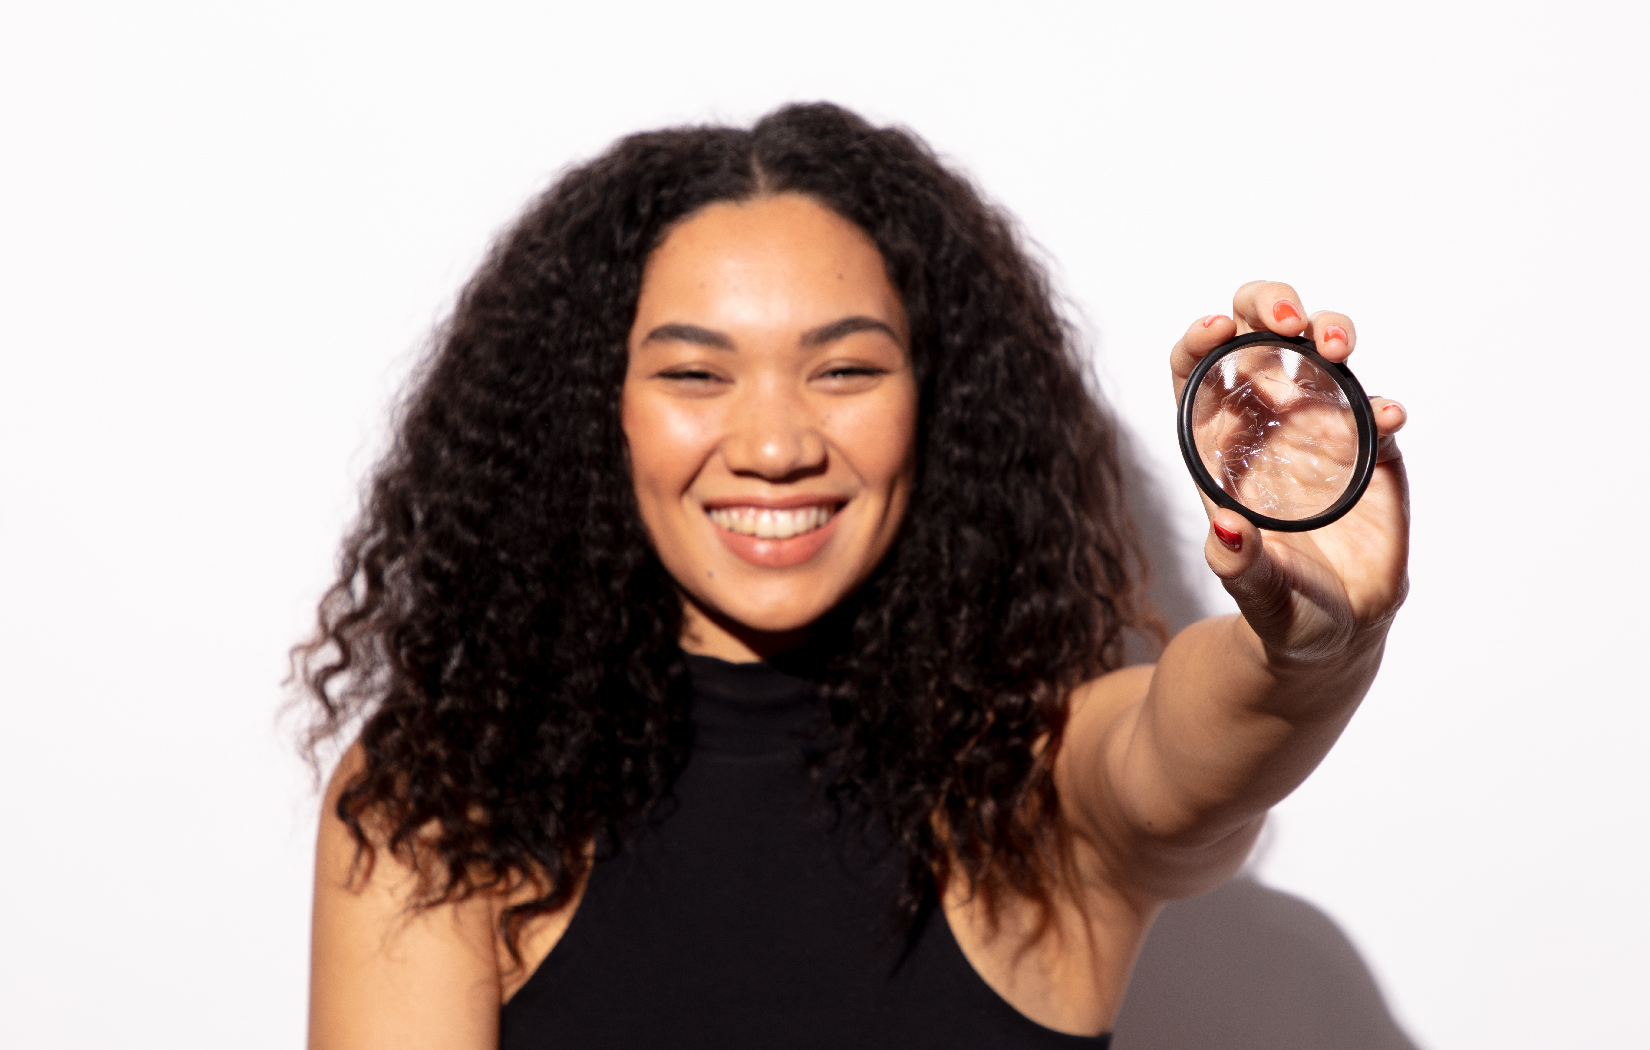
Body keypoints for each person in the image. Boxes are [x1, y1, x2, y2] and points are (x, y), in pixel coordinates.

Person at [296, 102, 1409, 1049]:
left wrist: (1314, 642)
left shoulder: (1038, 789)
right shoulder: (440, 807)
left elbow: (1194, 744)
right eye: (695, 372)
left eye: (844, 369)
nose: (776, 444)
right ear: (599, 411)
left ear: (940, 407)